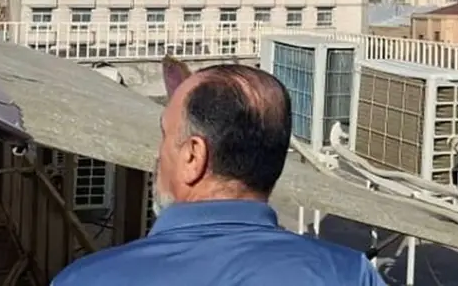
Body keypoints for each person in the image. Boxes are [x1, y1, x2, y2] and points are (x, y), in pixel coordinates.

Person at [52, 59, 384, 285]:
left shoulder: (87, 279)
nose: (158, 154)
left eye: (166, 137)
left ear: (193, 156)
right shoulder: (350, 275)